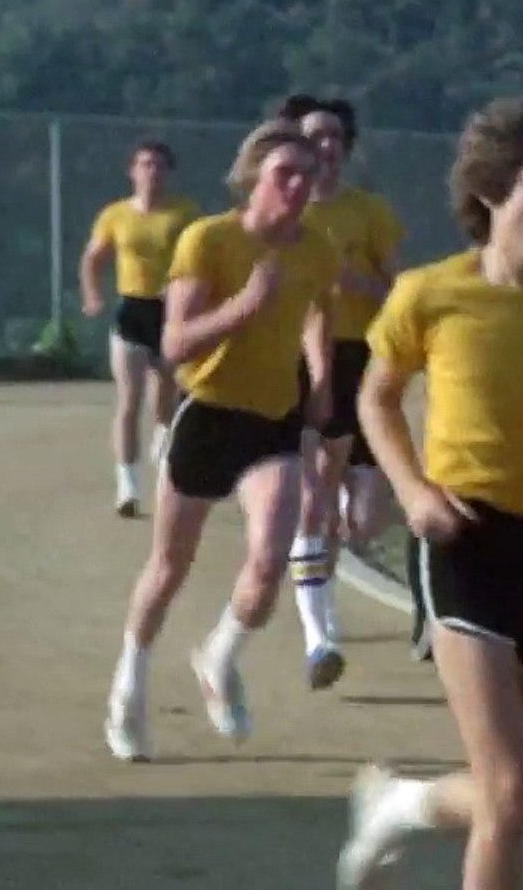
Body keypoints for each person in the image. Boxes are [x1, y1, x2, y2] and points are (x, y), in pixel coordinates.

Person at [334, 96, 523, 890]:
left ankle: (398, 806)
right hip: (464, 539)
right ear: (493, 189)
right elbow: (376, 399)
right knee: (505, 791)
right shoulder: (430, 293)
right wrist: (412, 492)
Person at [103, 120, 340, 763]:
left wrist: (321, 376)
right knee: (170, 567)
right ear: (253, 178)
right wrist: (244, 307)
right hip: (206, 416)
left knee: (269, 561)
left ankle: (218, 657)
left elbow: (319, 309)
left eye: (308, 175)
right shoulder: (208, 239)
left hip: (273, 423)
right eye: (284, 173)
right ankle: (129, 686)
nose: (298, 186)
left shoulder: (317, 248)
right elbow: (175, 344)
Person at [280, 94, 407, 692]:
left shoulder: (368, 212)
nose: (326, 146)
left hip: (363, 358)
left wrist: (356, 282)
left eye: (335, 136)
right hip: (301, 361)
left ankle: (320, 575)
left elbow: (399, 291)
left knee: (364, 517)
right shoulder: (283, 213)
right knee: (312, 498)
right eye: (315, 136)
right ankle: (319, 637)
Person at [78, 140, 201, 516]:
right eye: (145, 164)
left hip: (171, 313)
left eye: (160, 165)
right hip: (132, 311)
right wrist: (93, 295)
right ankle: (128, 487)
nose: (152, 172)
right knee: (129, 401)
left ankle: (163, 452)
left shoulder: (184, 213)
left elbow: (202, 258)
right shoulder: (115, 215)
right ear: (132, 171)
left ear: (169, 172)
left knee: (165, 399)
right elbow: (93, 258)